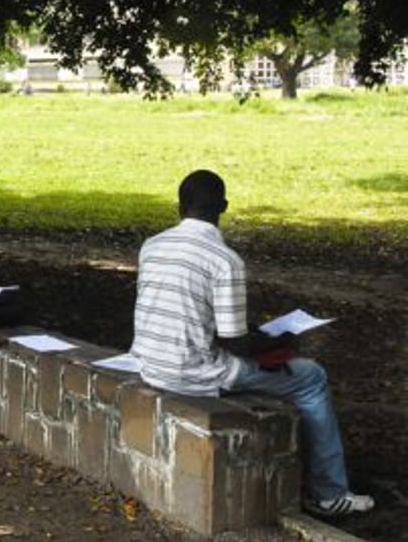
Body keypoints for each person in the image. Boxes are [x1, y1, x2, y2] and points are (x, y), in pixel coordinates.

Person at [130, 170, 374, 518]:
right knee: (311, 378)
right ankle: (329, 493)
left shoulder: (152, 246)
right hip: (194, 374)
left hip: (151, 364)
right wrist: (280, 340)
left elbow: (190, 314)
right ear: (224, 207)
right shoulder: (224, 261)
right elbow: (236, 346)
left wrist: (253, 335)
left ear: (179, 207)